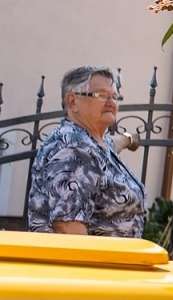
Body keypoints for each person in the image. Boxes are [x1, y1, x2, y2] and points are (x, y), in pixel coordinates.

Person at [26, 66, 146, 237]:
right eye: (102, 95)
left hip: (116, 260)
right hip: (90, 262)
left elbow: (112, 144)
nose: (111, 103)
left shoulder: (95, 142)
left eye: (114, 96)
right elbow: (68, 226)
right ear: (73, 102)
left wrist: (128, 139)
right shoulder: (73, 150)